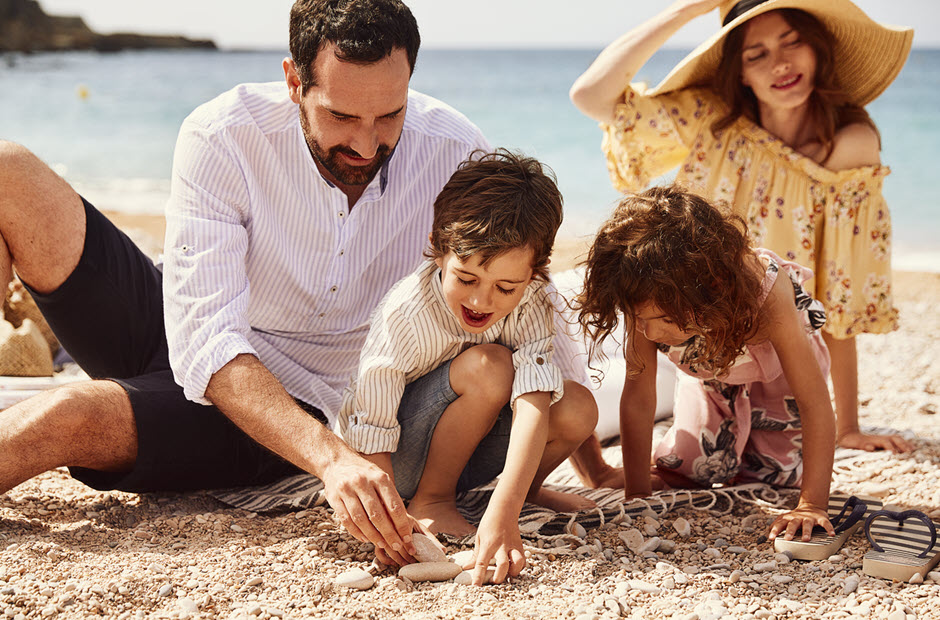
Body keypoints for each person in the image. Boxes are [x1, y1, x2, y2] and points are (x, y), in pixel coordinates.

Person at [0, 0, 496, 567]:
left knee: (65, 416)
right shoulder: (223, 135)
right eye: (340, 116)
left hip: (293, 408)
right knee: (7, 171)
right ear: (293, 81)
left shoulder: (456, 152)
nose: (366, 144)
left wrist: (332, 455)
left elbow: (516, 289)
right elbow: (207, 334)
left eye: (389, 115)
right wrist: (334, 461)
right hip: (183, 330)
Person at [568, 0, 914, 454]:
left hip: (759, 356)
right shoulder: (710, 119)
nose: (782, 63)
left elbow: (839, 293)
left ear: (818, 50)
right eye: (758, 54)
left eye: (793, 42)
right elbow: (590, 97)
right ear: (740, 73)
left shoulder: (850, 145)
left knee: (589, 400)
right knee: (568, 375)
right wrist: (689, 11)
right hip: (663, 329)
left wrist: (846, 426)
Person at [338, 149, 598, 585]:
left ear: (535, 274)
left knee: (577, 407)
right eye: (467, 279)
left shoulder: (533, 302)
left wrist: (506, 510)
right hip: (394, 459)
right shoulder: (407, 310)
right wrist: (389, 517)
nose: (481, 302)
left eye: (506, 287)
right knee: (490, 365)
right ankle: (432, 500)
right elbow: (371, 419)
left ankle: (518, 494)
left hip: (467, 454)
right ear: (440, 251)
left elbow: (534, 398)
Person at [576, 184, 837, 541]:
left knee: (772, 477)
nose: (649, 332)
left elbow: (814, 402)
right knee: (686, 465)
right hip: (711, 373)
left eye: (664, 319)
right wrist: (638, 495)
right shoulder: (645, 300)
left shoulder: (767, 291)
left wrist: (812, 504)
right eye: (639, 318)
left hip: (780, 377)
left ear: (710, 289)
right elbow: (639, 398)